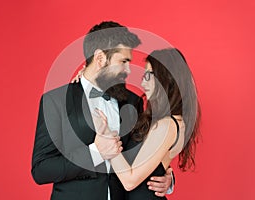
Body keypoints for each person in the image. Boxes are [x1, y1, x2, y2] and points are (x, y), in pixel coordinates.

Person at [31, 21, 173, 200]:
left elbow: (138, 158)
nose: (128, 70)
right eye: (123, 61)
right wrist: (96, 152)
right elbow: (41, 169)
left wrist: (166, 177)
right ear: (100, 58)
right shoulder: (55, 101)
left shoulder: (132, 101)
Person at [93, 48, 201, 199]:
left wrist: (106, 136)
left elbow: (130, 181)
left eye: (149, 74)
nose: (143, 81)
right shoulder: (161, 121)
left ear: (167, 78)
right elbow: (155, 165)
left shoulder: (167, 125)